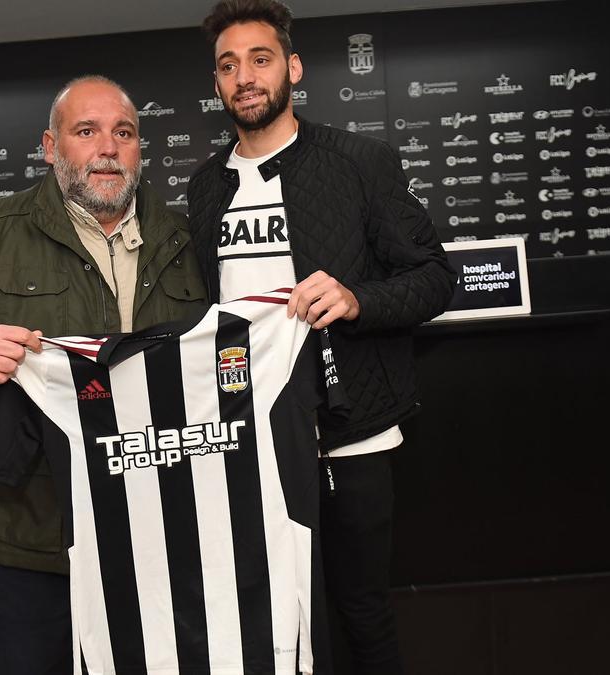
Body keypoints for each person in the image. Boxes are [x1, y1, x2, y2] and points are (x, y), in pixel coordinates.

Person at [0, 75, 206, 675]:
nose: (107, 147)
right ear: (51, 147)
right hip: (31, 542)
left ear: (140, 149)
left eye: (124, 133)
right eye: (86, 131)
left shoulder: (189, 239)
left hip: (164, 535)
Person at [190, 2, 457, 673]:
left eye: (259, 58)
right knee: (273, 615)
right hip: (248, 442)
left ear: (293, 68)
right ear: (217, 83)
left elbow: (434, 278)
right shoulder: (203, 189)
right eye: (228, 65)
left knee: (361, 610)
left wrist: (355, 297)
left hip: (353, 434)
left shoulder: (360, 162)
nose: (244, 76)